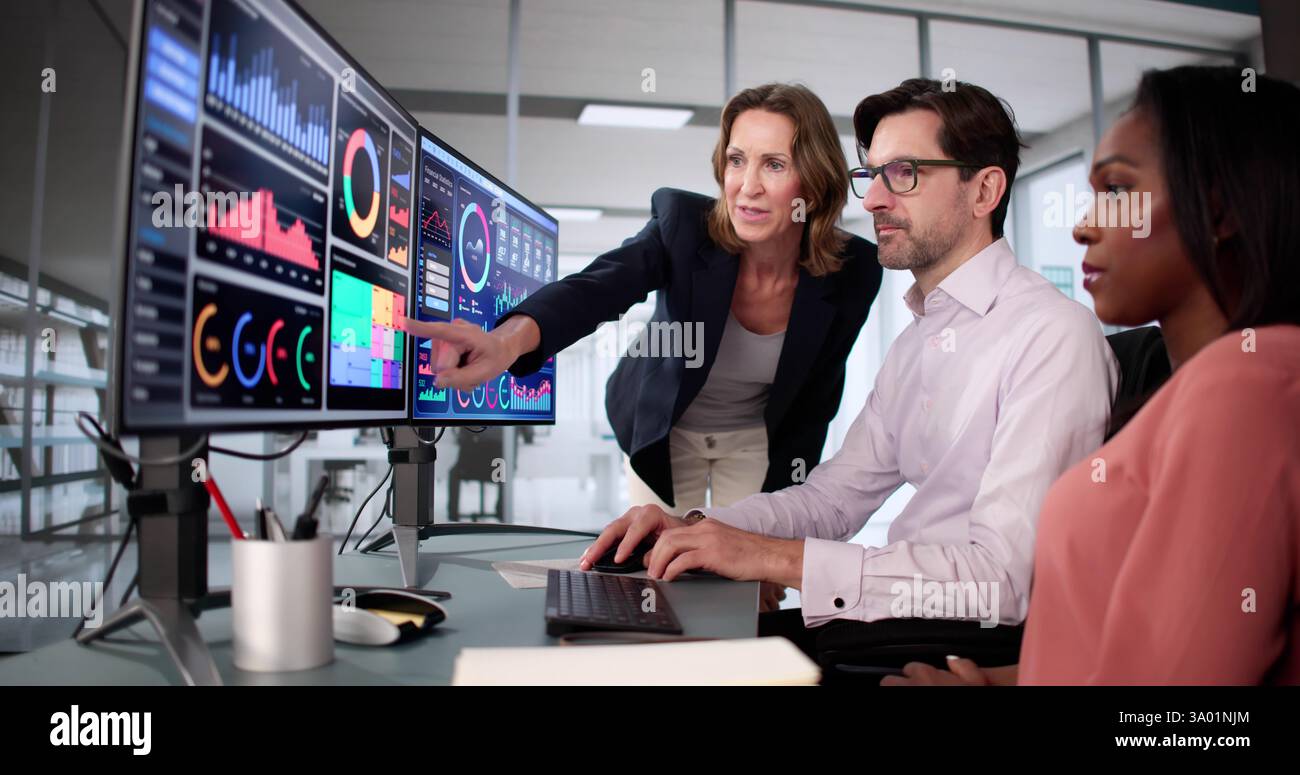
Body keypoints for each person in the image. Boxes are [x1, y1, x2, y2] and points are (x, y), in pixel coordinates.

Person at [580, 77, 1117, 654]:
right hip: (896, 625)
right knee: (647, 640)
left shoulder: (1051, 334)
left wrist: (765, 556)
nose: (873, 200)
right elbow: (832, 500)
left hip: (962, 642)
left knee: (686, 657)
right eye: (872, 175)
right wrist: (699, 527)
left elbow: (1001, 584)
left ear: (984, 190)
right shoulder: (918, 345)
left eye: (904, 173)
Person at [884, 66, 1300, 686]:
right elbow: (1122, 654)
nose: (1082, 224)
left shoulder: (1248, 389)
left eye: (1116, 189)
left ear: (1218, 209)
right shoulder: (1197, 394)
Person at [404, 85, 881, 611]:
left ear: (812, 182)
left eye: (773, 165)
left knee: (747, 594)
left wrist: (778, 550)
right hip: (664, 428)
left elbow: (816, 399)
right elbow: (596, 288)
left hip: (753, 437)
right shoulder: (684, 228)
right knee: (659, 578)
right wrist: (505, 341)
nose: (747, 187)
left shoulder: (852, 271)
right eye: (737, 160)